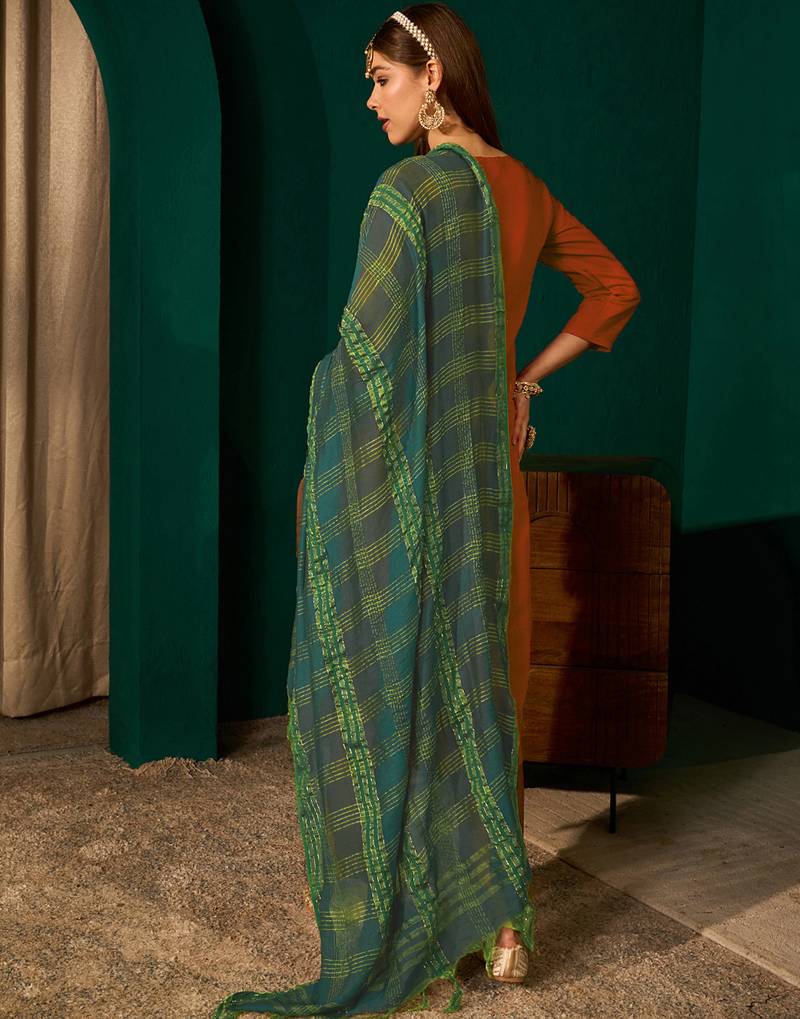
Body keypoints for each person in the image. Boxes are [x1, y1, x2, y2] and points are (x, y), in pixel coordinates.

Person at [213, 5, 640, 1017]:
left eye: (380, 78)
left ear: (432, 74)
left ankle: (415, 910)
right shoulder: (523, 188)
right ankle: (504, 931)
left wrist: (330, 449)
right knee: (486, 686)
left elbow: (363, 360)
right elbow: (613, 288)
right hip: (490, 483)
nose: (371, 101)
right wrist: (523, 381)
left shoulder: (409, 194)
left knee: (412, 677)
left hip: (415, 484)